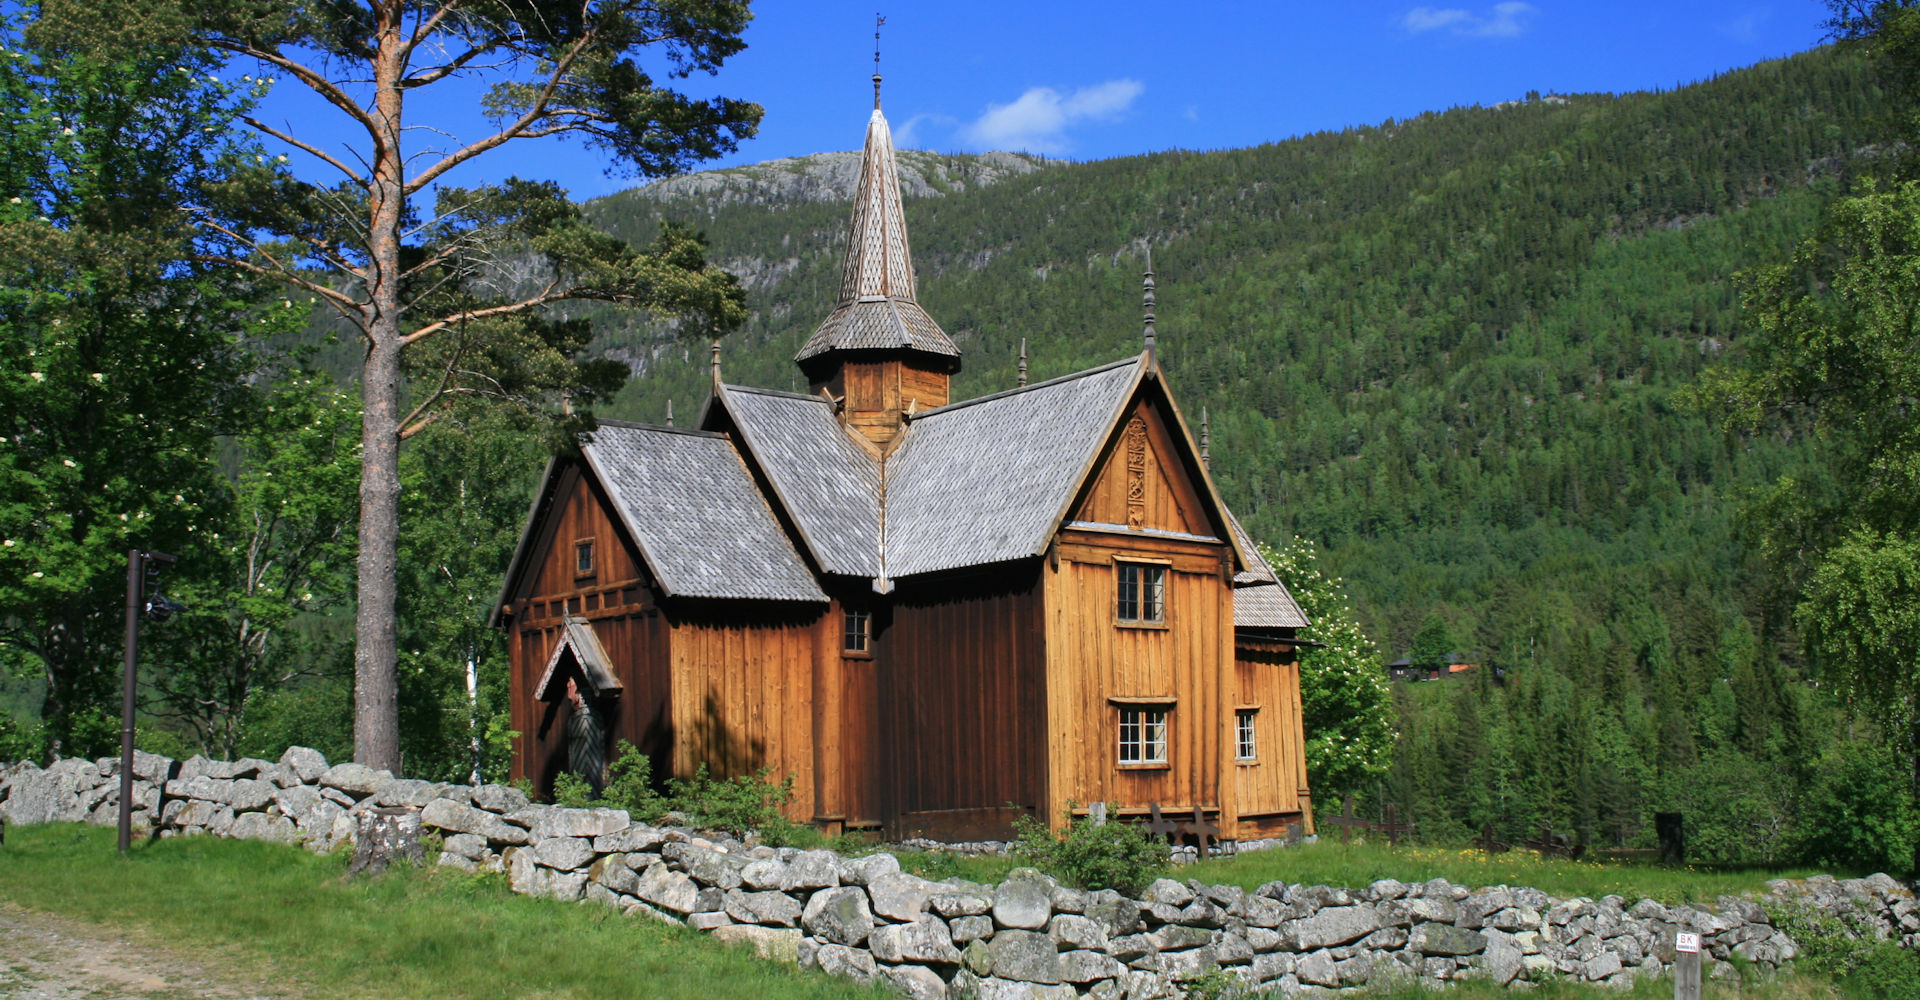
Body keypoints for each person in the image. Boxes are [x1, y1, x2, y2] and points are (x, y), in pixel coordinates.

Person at [564, 677, 605, 792]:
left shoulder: (590, 717)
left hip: (595, 770)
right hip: (579, 758)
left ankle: (592, 791)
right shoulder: (575, 719)